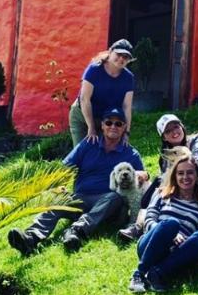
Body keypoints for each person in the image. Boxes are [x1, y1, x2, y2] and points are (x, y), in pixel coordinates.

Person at [9, 107, 146, 255]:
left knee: (114, 197)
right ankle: (31, 237)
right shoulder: (88, 144)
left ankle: (77, 231)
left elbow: (143, 175)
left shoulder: (131, 153)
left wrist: (142, 175)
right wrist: (59, 186)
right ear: (102, 125)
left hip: (108, 203)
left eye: (118, 124)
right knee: (59, 198)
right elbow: (65, 168)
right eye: (109, 122)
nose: (113, 126)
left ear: (124, 127)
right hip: (81, 197)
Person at [119, 113, 198, 242]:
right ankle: (138, 227)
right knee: (156, 188)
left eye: (176, 127)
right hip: (182, 190)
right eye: (168, 131)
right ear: (164, 137)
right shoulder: (165, 156)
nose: (174, 132)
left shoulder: (197, 142)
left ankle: (145, 227)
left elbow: (193, 166)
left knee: (161, 184)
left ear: (182, 127)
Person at [128, 152, 198, 295]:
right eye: (180, 173)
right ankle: (139, 273)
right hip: (151, 244)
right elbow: (148, 220)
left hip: (176, 254)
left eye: (190, 173)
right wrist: (171, 234)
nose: (185, 177)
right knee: (171, 224)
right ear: (175, 176)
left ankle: (157, 273)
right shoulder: (162, 194)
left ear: (197, 176)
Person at [69, 39, 135, 147]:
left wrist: (126, 132)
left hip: (106, 120)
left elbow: (126, 106)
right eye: (118, 54)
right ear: (110, 51)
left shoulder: (129, 77)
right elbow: (85, 99)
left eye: (125, 57)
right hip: (81, 114)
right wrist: (91, 127)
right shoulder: (94, 69)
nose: (121, 58)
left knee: (103, 151)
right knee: (82, 151)